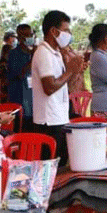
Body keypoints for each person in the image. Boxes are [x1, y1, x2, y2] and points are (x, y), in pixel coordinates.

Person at [31, 10, 84, 167]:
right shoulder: (43, 53)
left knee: (61, 165)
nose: (69, 35)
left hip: (59, 117)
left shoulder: (56, 53)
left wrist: (76, 71)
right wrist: (70, 70)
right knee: (51, 167)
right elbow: (49, 87)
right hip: (48, 122)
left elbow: (64, 84)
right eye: (66, 30)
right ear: (54, 31)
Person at [7, 24, 35, 131]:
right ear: (19, 38)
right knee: (22, 130)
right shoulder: (13, 54)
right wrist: (32, 59)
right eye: (27, 35)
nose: (30, 37)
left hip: (33, 102)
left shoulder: (31, 52)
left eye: (31, 34)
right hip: (19, 101)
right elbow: (20, 74)